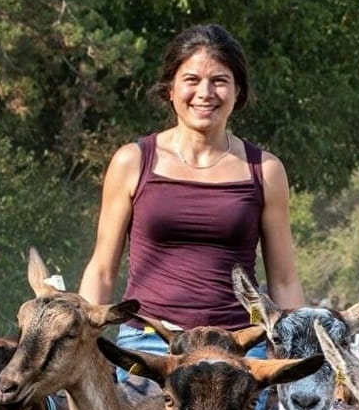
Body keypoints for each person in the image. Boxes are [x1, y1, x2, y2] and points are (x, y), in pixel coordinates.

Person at [78, 24, 306, 372]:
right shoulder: (133, 161)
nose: (205, 92)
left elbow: (285, 280)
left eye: (219, 80)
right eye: (192, 80)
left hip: (237, 348)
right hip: (148, 346)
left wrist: (294, 363)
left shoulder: (265, 170)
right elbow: (103, 270)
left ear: (237, 91)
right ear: (170, 89)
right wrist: (82, 346)